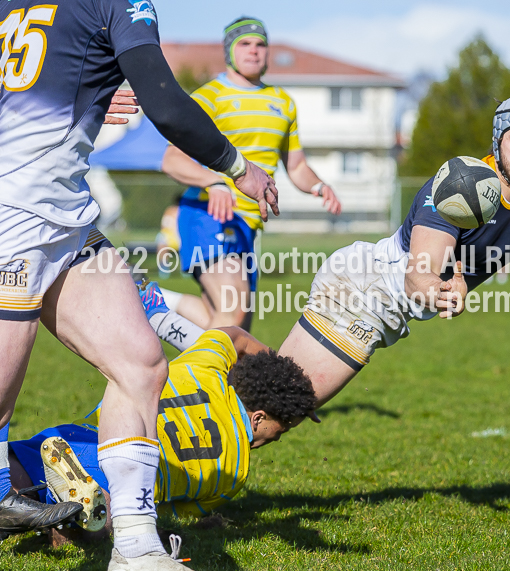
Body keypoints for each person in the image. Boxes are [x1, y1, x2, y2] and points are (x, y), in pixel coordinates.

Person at [0, 1, 279, 568]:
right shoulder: (118, 3)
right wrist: (238, 166)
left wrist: (95, 86)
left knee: (142, 364)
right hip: (16, 218)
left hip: (65, 221)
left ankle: (136, 545)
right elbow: (169, 107)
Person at [277, 93, 510, 407]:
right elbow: (418, 275)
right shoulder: (461, 183)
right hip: (365, 290)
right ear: (497, 143)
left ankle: (228, 353)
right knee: (277, 411)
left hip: (390, 309)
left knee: (270, 390)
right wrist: (444, 293)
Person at [7, 325, 316, 548]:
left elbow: (235, 335)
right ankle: (83, 520)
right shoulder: (234, 474)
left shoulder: (205, 365)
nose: (279, 437)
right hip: (126, 478)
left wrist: (279, 370)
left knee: (12, 469)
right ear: (258, 417)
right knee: (123, 515)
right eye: (283, 427)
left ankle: (25, 492)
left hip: (87, 437)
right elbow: (177, 510)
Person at [160, 16, 342, 332]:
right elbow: (172, 160)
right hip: (208, 214)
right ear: (229, 50)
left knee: (234, 330)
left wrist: (319, 185)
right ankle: (195, 376)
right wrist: (214, 181)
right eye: (244, 43)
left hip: (249, 227)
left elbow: (296, 166)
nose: (254, 51)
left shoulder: (283, 103)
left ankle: (156, 301)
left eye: (260, 44)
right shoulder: (209, 98)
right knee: (234, 308)